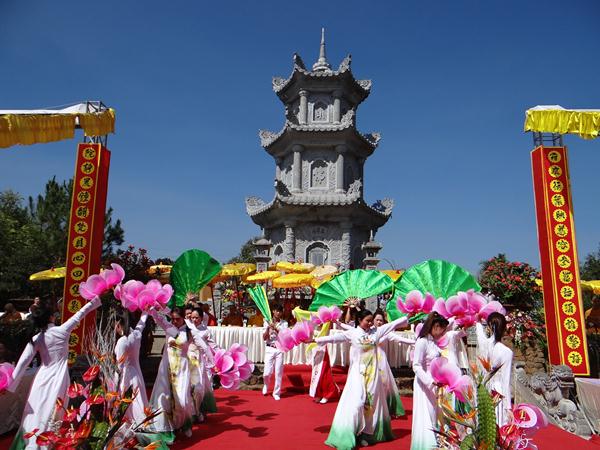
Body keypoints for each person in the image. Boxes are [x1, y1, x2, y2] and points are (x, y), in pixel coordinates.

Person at [7, 296, 102, 450]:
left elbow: (22, 363)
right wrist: (95, 299)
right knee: (53, 410)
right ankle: (48, 444)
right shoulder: (62, 331)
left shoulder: (37, 338)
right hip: (58, 378)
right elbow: (81, 313)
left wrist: (9, 384)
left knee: (36, 409)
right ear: (51, 317)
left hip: (41, 378)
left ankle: (30, 442)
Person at [316, 309, 408, 449]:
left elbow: (393, 324)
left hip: (373, 374)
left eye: (371, 321)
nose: (371, 323)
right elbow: (334, 338)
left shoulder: (376, 332)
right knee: (357, 403)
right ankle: (351, 432)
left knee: (370, 405)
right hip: (357, 374)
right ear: (360, 320)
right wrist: (315, 340)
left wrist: (408, 315)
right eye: (368, 321)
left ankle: (366, 434)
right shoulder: (353, 333)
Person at [149, 306, 213, 440]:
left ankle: (185, 424)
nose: (174, 321)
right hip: (166, 369)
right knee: (164, 401)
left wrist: (215, 362)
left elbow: (204, 347)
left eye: (177, 319)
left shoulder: (190, 332)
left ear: (184, 318)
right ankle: (169, 427)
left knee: (182, 402)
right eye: (172, 319)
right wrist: (150, 307)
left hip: (182, 371)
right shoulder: (168, 327)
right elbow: (158, 317)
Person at [410, 312, 450, 450]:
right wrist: (429, 381)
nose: (443, 333)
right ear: (435, 326)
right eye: (442, 329)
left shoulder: (433, 341)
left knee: (433, 413)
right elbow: (416, 366)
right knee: (426, 414)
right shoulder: (422, 342)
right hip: (424, 383)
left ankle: (434, 442)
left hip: (434, 383)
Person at [373, 309, 415, 418]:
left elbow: (399, 339)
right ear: (373, 320)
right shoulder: (369, 332)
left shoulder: (386, 332)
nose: (379, 322)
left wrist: (414, 342)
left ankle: (386, 409)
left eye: (381, 320)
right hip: (370, 361)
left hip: (381, 362)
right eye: (377, 320)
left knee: (384, 386)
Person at [475, 312, 513, 426]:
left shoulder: (485, 345)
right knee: (497, 424)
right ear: (504, 328)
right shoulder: (507, 352)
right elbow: (506, 381)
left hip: (484, 390)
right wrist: (508, 408)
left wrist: (478, 321)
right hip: (498, 392)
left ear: (489, 327)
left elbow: (480, 336)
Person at [114, 310, 149, 424]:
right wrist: (146, 311)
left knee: (128, 406)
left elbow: (119, 365)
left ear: (118, 323)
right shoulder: (136, 335)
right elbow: (141, 324)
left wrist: (114, 384)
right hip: (137, 374)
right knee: (138, 403)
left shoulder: (122, 341)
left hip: (126, 377)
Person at [186, 307, 218, 421]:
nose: (194, 320)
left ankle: (199, 410)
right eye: (192, 317)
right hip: (187, 359)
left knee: (199, 387)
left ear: (201, 318)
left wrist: (220, 356)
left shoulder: (205, 331)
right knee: (187, 387)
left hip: (200, 360)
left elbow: (212, 345)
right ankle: (190, 412)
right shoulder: (187, 327)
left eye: (197, 318)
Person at [262, 304, 287, 401]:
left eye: (280, 311)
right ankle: (266, 384)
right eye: (277, 311)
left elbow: (284, 335)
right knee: (266, 372)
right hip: (269, 348)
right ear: (273, 311)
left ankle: (276, 393)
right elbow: (264, 338)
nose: (278, 313)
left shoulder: (284, 323)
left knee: (278, 372)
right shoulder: (266, 321)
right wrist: (268, 328)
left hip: (280, 349)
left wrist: (275, 328)